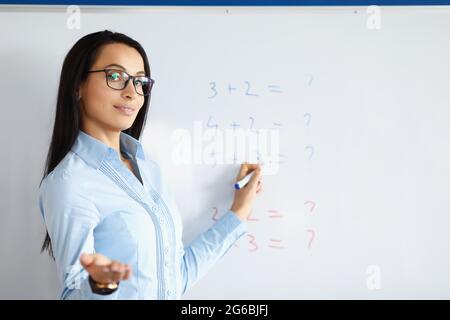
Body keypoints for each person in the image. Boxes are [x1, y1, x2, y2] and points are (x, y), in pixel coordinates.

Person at [37, 30, 262, 300]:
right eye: (116, 76)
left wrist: (238, 212)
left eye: (140, 81)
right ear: (78, 86)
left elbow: (176, 277)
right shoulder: (70, 182)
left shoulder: (150, 171)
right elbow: (75, 291)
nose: (133, 92)